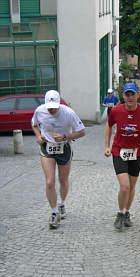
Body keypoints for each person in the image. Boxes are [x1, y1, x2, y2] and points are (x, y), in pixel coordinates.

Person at [104, 83, 140, 231]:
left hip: (136, 153)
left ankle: (127, 212)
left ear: (137, 95)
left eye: (132, 94)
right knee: (125, 186)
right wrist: (107, 146)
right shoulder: (116, 110)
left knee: (132, 186)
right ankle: (120, 213)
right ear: (123, 96)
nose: (130, 97)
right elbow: (108, 126)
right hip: (119, 151)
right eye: (127, 94)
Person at [31, 90, 85, 229]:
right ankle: (54, 212)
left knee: (63, 180)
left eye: (54, 107)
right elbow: (34, 124)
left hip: (64, 148)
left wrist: (66, 137)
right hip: (47, 148)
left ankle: (61, 203)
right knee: (49, 182)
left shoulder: (68, 113)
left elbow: (82, 132)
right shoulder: (39, 111)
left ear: (59, 103)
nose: (52, 109)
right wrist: (38, 136)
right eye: (50, 107)